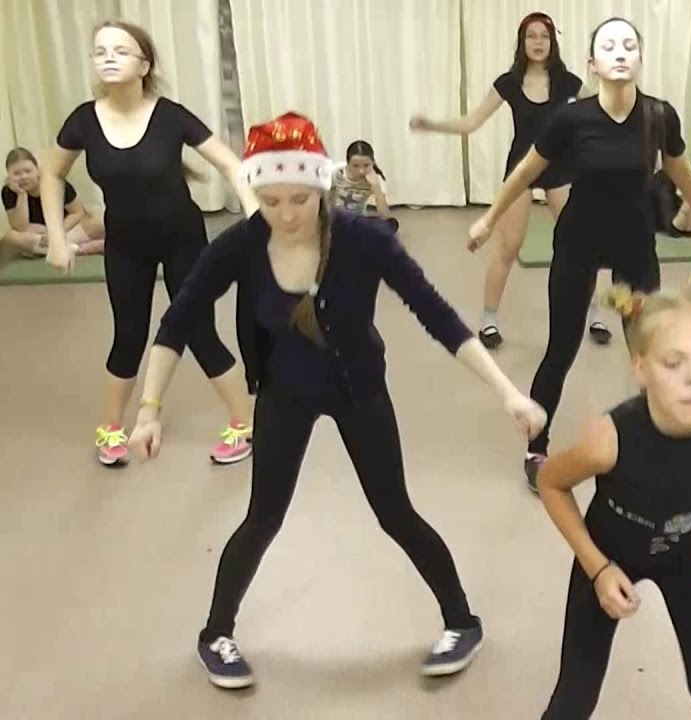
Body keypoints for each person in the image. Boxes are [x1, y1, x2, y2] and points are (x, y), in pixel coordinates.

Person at [127, 111, 548, 690]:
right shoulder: (243, 244)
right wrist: (148, 410)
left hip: (359, 388)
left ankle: (461, 622)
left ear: (320, 186)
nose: (285, 214)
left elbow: (438, 316)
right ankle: (215, 635)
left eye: (299, 199)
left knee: (395, 511)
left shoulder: (365, 241)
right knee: (263, 517)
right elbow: (176, 322)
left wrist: (509, 394)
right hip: (286, 392)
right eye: (270, 201)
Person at [468, 16, 691, 492]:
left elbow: (679, 167)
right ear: (591, 63)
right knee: (562, 347)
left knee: (647, 347)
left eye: (629, 46)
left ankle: (656, 442)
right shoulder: (572, 118)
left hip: (634, 246)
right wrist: (489, 219)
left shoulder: (659, 116)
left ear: (640, 59)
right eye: (609, 46)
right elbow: (525, 172)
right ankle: (536, 446)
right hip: (578, 243)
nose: (620, 53)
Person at [536, 278, 691, 719]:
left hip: (689, 559)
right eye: (674, 363)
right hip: (608, 554)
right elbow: (550, 483)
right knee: (574, 698)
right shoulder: (608, 439)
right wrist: (598, 568)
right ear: (640, 368)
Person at [41, 20, 258, 466]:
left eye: (121, 51)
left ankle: (246, 423)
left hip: (182, 239)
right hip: (125, 244)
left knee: (198, 331)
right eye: (101, 51)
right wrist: (57, 238)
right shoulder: (84, 120)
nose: (109, 58)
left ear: (144, 65)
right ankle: (111, 428)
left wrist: (255, 216)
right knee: (128, 335)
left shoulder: (170, 116)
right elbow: (51, 172)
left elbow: (231, 165)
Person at [411, 12, 610, 348]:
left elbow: (600, 113)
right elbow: (471, 122)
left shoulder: (569, 82)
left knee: (580, 245)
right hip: (522, 168)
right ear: (522, 42)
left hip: (562, 167)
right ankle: (489, 319)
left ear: (552, 42)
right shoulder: (509, 82)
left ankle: (594, 313)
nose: (538, 42)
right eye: (531, 36)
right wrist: (432, 125)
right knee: (508, 246)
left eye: (544, 36)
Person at [2, 147, 105, 262]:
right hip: (36, 237)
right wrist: (21, 194)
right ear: (9, 175)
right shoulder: (9, 191)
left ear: (37, 170)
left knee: (98, 223)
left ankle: (59, 249)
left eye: (27, 171)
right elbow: (20, 227)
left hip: (64, 230)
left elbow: (77, 212)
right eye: (16, 173)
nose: (23, 177)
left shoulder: (54, 183)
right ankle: (76, 249)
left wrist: (55, 233)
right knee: (10, 238)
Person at [329, 140, 398, 232]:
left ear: (373, 163)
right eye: (355, 166)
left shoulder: (376, 179)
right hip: (334, 219)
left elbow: (385, 215)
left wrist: (376, 187)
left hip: (357, 220)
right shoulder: (336, 173)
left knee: (386, 226)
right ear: (348, 164)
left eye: (366, 165)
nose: (361, 171)